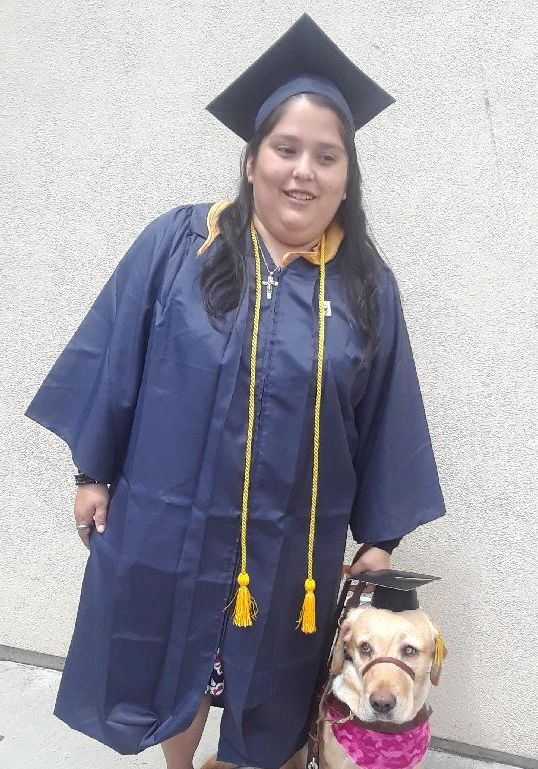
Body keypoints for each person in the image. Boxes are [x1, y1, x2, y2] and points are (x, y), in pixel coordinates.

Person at [25, 14, 445, 769]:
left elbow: (388, 414)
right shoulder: (181, 246)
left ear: (347, 177)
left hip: (290, 555)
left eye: (326, 156)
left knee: (271, 688)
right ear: (252, 160)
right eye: (285, 149)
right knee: (180, 672)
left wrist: (381, 537)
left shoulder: (365, 286)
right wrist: (93, 472)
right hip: (171, 528)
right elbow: (117, 353)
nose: (302, 171)